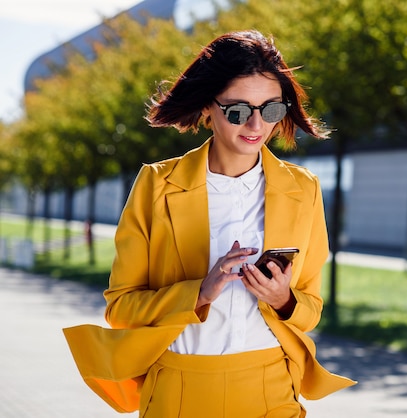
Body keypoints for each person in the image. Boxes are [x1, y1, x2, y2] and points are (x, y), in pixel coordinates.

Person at [63, 30, 355, 417]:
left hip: (271, 390)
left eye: (270, 110)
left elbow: (311, 309)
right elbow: (121, 307)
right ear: (206, 108)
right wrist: (199, 292)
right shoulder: (156, 185)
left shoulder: (304, 189)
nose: (255, 125)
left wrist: (282, 299)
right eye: (237, 111)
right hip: (180, 390)